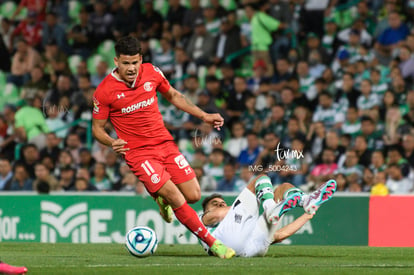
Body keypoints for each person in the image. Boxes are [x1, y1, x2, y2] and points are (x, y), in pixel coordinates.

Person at [92, 36, 234, 259]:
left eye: (134, 62)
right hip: (138, 153)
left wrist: (204, 115)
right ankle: (213, 243)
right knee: (176, 198)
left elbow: (174, 95)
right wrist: (112, 142)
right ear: (116, 61)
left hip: (165, 144)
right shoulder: (104, 91)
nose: (131, 68)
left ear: (141, 59)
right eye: (125, 63)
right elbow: (97, 129)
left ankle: (160, 198)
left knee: (194, 195)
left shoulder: (152, 72)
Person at [200, 174, 337, 257]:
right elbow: (217, 215)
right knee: (260, 179)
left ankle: (307, 201)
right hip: (224, 243)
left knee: (283, 188)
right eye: (215, 203)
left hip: (253, 249)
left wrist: (308, 215)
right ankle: (273, 207)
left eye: (222, 203)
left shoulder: (241, 223)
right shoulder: (204, 219)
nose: (220, 205)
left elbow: (278, 236)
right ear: (206, 209)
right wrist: (252, 204)